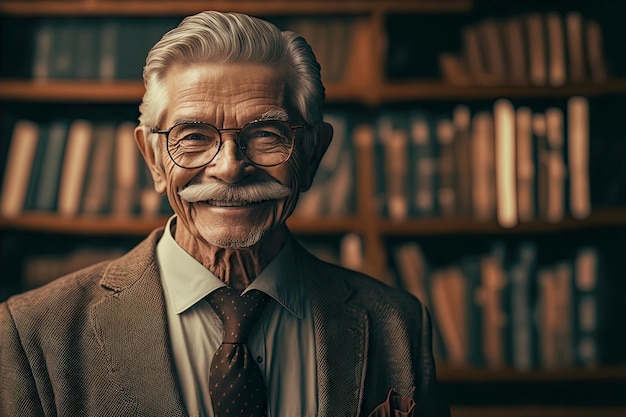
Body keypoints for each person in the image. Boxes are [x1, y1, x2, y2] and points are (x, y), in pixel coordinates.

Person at [0, 11, 450, 417]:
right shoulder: (32, 333)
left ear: (312, 154)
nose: (230, 166)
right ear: (154, 159)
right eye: (193, 135)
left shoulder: (397, 323)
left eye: (267, 134)